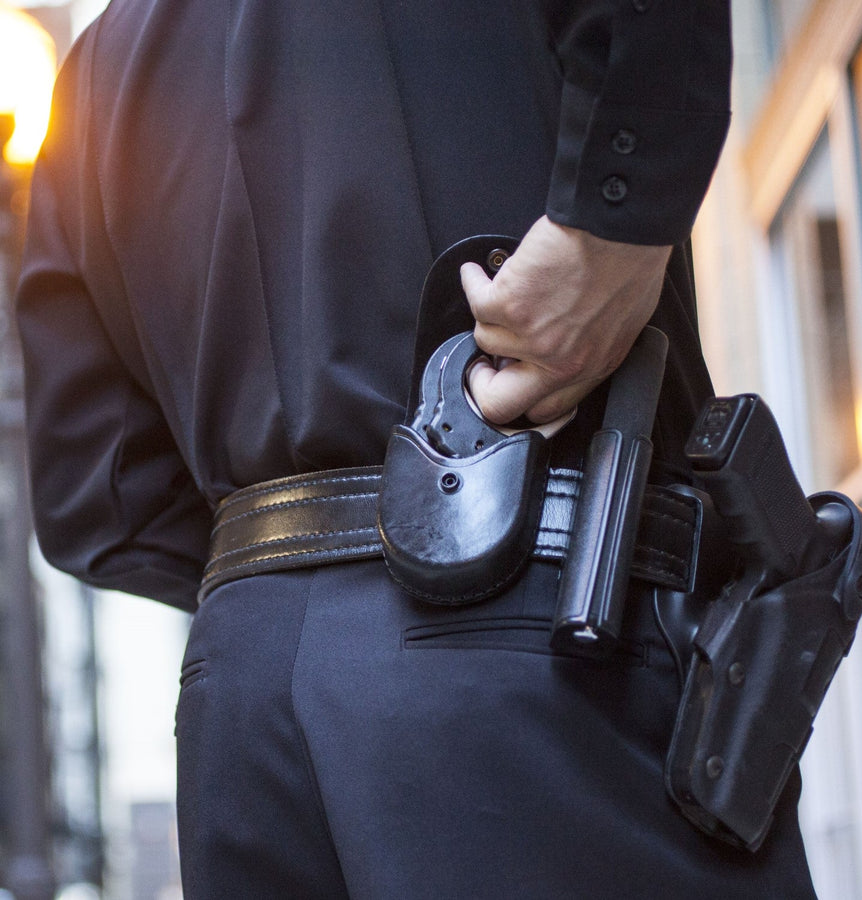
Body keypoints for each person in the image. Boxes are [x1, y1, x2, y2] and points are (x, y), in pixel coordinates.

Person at [16, 1, 819, 897]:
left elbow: (95, 505)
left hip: (241, 705)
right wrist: (615, 223)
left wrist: (309, 580)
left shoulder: (92, 76)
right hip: (544, 641)